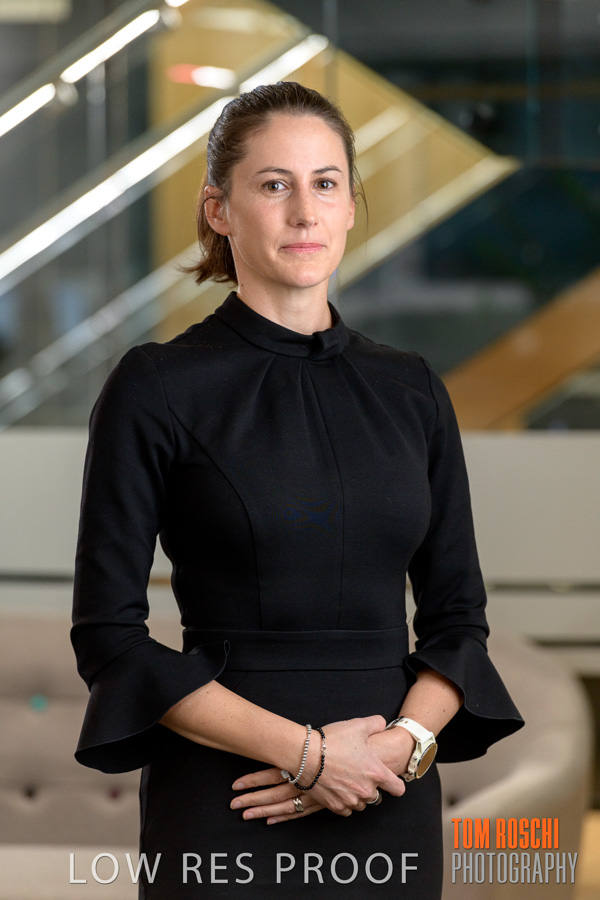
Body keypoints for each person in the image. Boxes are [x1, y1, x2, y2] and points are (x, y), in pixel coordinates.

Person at [71, 81, 524, 898]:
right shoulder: (157, 386)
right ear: (219, 208)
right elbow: (110, 638)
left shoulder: (413, 389)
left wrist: (394, 750)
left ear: (350, 206)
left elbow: (459, 622)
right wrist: (309, 755)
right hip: (230, 796)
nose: (305, 212)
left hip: (386, 792)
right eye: (274, 184)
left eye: (326, 183)